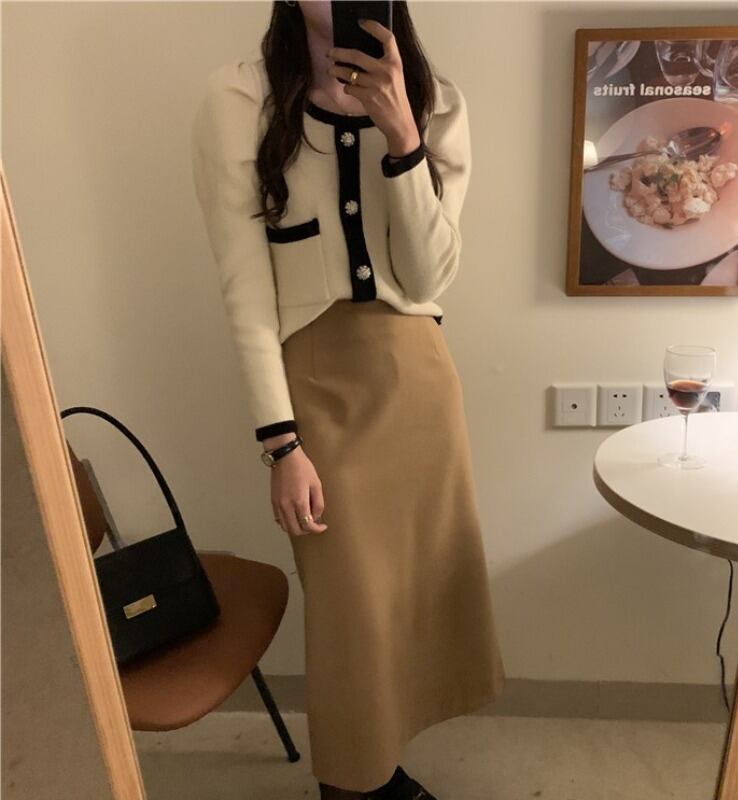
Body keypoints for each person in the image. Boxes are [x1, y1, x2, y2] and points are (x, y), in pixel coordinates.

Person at [190, 2, 505, 797]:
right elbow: (245, 290)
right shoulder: (240, 101)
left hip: (417, 382)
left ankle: (382, 772)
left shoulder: (438, 104)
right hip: (317, 389)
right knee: (350, 613)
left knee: (412, 600)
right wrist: (281, 443)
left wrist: (402, 136)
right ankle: (352, 785)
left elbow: (427, 278)